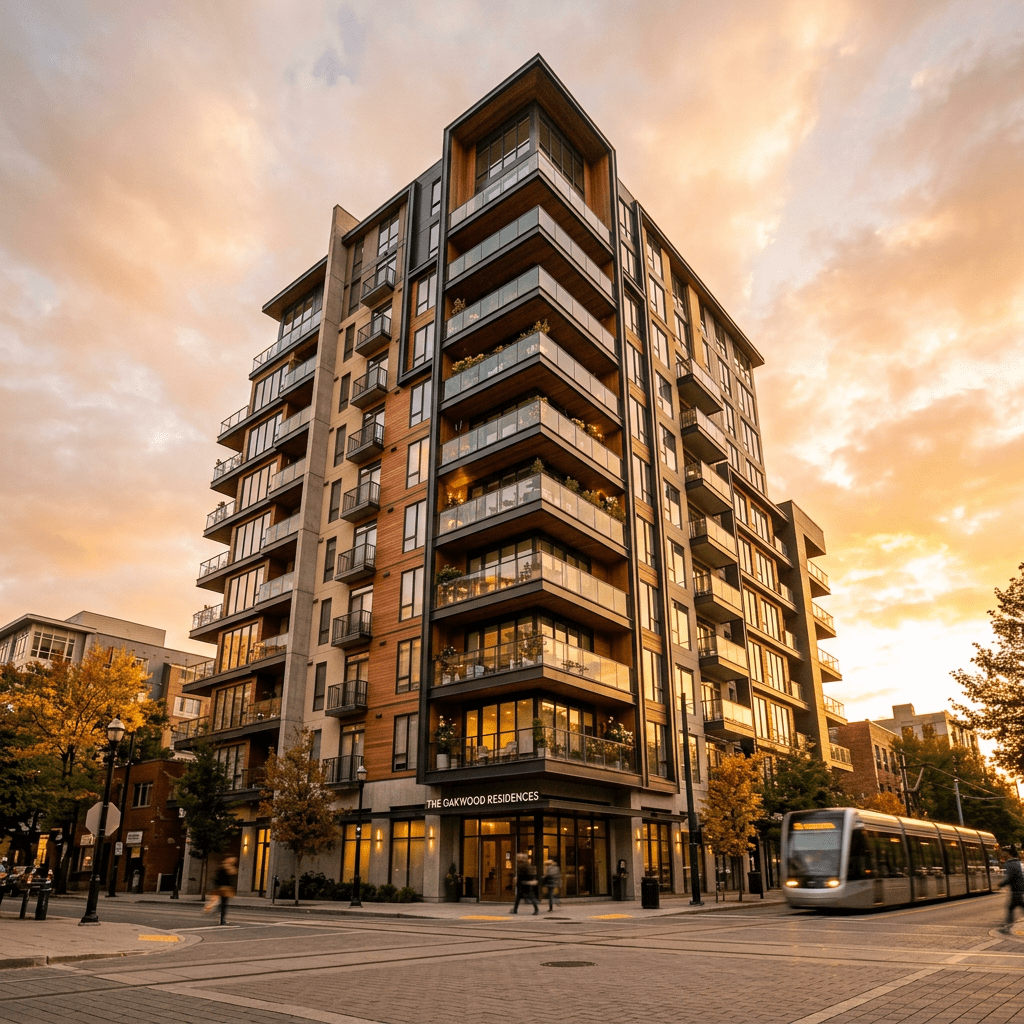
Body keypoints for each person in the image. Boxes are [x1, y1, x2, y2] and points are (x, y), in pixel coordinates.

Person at [1001, 847, 1024, 934]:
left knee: (1011, 907)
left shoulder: (1010, 864)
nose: (1004, 855)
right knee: (1015, 906)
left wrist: (1002, 884)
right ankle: (1008, 927)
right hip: (1020, 890)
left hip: (1016, 890)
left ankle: (1007, 928)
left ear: (1009, 854)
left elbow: (1010, 877)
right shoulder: (1020, 863)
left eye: (1006, 853)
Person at [211, 855, 238, 925]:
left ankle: (218, 912)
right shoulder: (227, 869)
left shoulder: (223, 868)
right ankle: (221, 917)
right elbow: (229, 878)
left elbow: (216, 879)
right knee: (224, 904)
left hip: (222, 888)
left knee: (223, 903)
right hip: (225, 889)